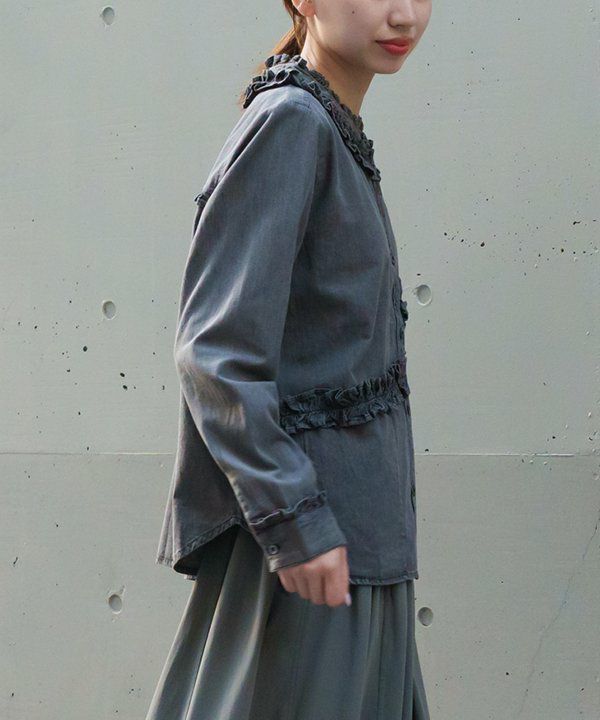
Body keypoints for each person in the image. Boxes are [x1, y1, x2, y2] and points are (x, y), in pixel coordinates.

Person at [145, 1, 433, 718]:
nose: (404, 14)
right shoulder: (292, 124)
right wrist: (295, 522)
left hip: (359, 545)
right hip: (311, 554)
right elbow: (216, 350)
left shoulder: (330, 127)